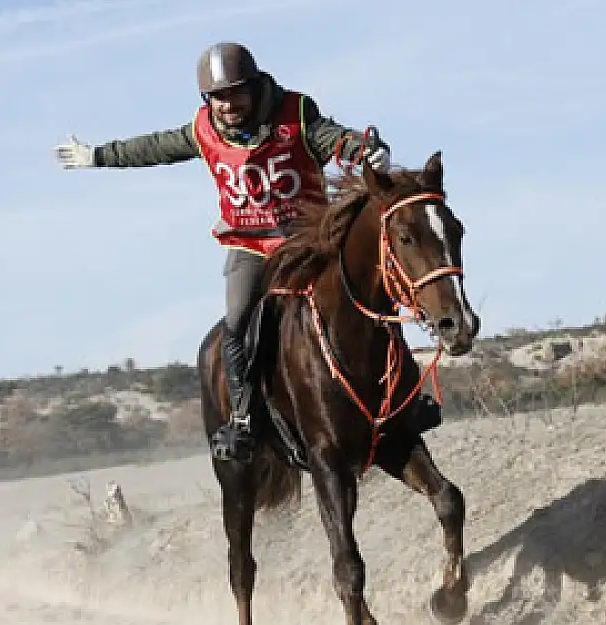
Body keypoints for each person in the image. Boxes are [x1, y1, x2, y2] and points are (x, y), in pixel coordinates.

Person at [55, 41, 440, 463]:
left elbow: (332, 136)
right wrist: (96, 155)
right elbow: (152, 148)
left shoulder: (294, 115)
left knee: (371, 292)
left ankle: (408, 397)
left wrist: (360, 149)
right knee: (238, 319)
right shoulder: (203, 131)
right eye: (218, 97)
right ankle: (242, 420)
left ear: (255, 88)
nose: (227, 104)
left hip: (308, 239)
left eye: (235, 92)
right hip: (249, 245)